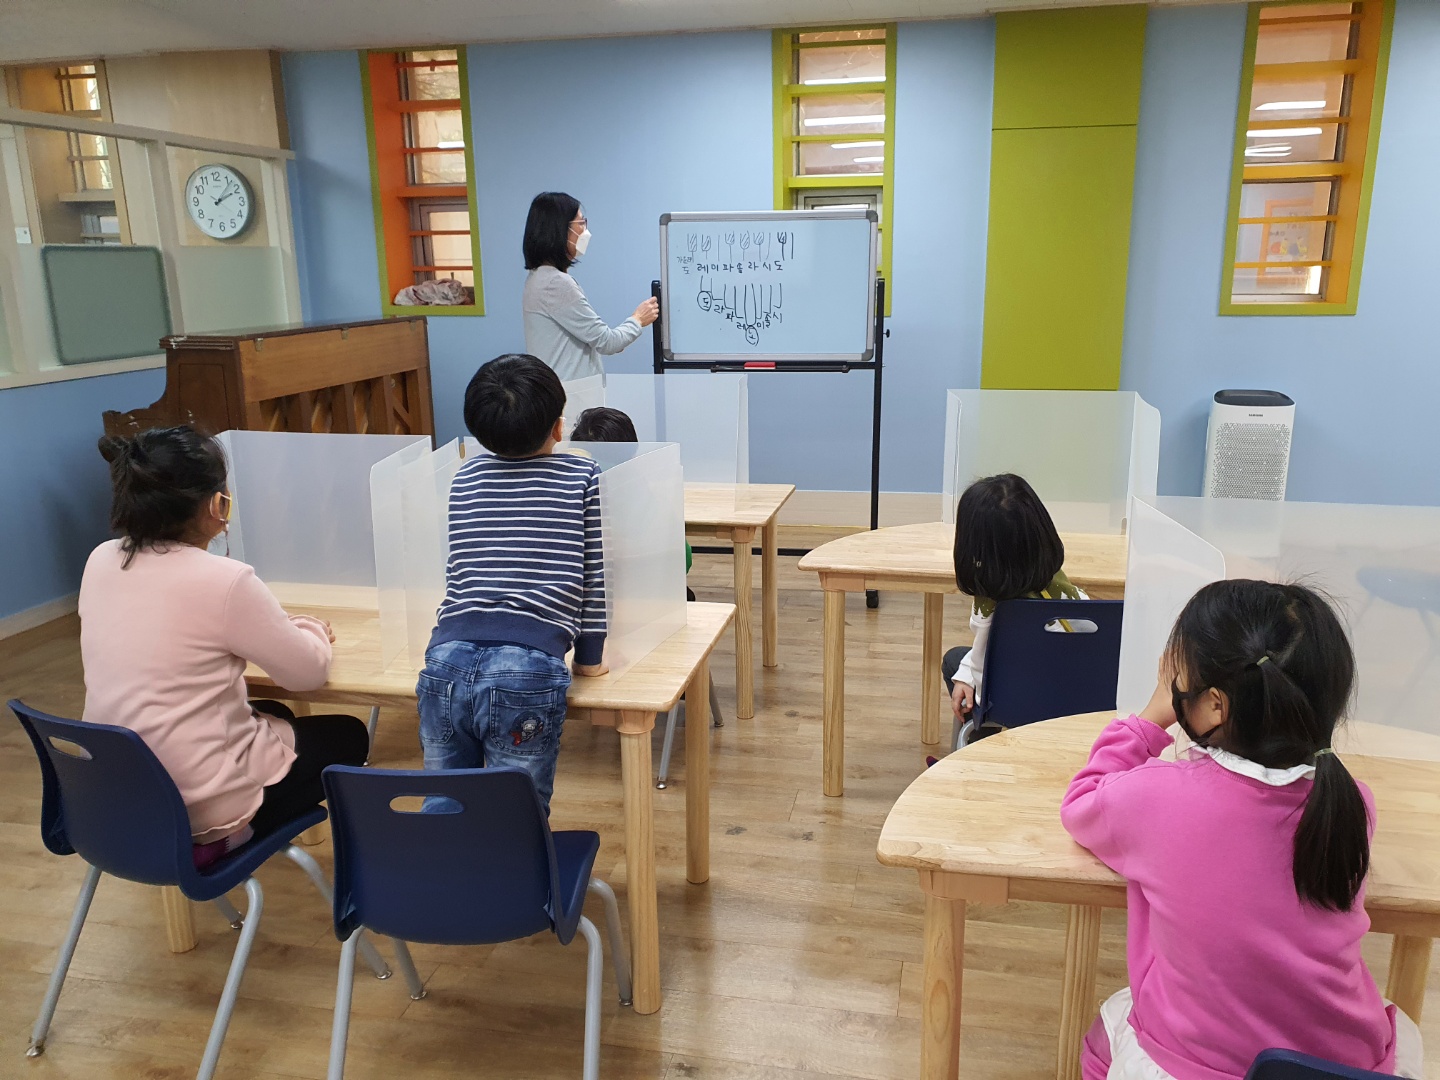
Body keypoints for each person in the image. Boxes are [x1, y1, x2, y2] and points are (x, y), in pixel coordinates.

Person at [1061, 579, 1424, 1080]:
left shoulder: (1156, 797)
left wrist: (1149, 719)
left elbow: (1081, 804)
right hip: (1349, 1066)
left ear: (1215, 704)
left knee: (1103, 1039)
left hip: (1197, 1063)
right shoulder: (1352, 803)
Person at [80, 427, 369, 869]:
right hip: (194, 808)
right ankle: (229, 837)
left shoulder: (101, 559)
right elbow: (307, 673)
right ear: (218, 505)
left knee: (276, 713)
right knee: (349, 734)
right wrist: (309, 626)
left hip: (116, 794)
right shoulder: (225, 580)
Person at [416, 354, 607, 813]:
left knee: (445, 801)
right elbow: (593, 575)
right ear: (559, 427)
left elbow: (460, 566)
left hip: (444, 659)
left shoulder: (465, 476)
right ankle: (511, 863)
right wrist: (590, 659)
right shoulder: (582, 475)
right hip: (527, 667)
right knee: (516, 811)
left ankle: (442, 860)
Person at [942, 473, 1086, 734]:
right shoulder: (1061, 585)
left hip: (1019, 704)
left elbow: (983, 667)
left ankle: (982, 748)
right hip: (1080, 700)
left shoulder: (993, 607)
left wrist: (965, 677)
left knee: (953, 660)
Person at [522, 191, 659, 381]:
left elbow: (596, 339)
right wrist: (638, 319)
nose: (585, 231)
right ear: (560, 230)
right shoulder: (555, 284)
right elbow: (607, 342)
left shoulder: (539, 278)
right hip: (571, 393)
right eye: (580, 223)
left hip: (561, 389)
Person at [569, 406, 694, 593]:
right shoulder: (640, 490)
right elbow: (684, 559)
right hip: (644, 594)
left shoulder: (568, 489)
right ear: (632, 447)